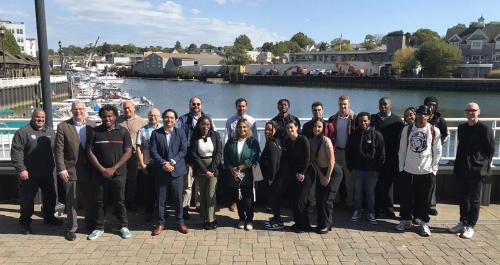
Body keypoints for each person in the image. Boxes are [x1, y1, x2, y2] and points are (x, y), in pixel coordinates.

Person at [11, 109, 63, 235]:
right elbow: (16, 152)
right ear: (33, 117)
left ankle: (49, 218)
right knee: (27, 200)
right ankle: (25, 223)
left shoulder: (50, 131)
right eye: (38, 117)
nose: (40, 120)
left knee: (51, 197)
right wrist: (21, 169)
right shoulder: (23, 132)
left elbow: (57, 149)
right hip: (29, 174)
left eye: (43, 118)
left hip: (47, 173)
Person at [86, 104, 133, 240]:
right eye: (104, 116)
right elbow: (89, 152)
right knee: (100, 201)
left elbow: (128, 152)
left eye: (110, 116)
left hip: (119, 174)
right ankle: (99, 227)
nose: (107, 119)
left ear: (115, 117)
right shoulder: (94, 132)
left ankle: (123, 226)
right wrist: (102, 169)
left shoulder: (123, 132)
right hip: (99, 174)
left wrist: (113, 168)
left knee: (120, 201)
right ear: (100, 117)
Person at [449, 102, 494, 239]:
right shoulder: (462, 128)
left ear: (478, 112)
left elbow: (490, 150)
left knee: (474, 200)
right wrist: (457, 166)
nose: (470, 113)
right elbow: (460, 148)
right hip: (462, 167)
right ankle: (463, 222)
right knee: (462, 197)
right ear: (464, 112)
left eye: (473, 110)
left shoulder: (485, 129)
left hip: (477, 169)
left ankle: (470, 226)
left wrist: (482, 165)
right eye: (468, 110)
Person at [396, 105, 442, 237]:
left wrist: (434, 169)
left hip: (427, 172)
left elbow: (437, 151)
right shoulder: (407, 129)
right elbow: (402, 150)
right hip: (408, 170)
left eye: (425, 114)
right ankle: (405, 220)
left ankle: (423, 223)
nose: (422, 116)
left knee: (425, 200)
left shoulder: (434, 131)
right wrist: (401, 168)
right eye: (420, 113)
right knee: (406, 198)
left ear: (429, 116)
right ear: (416, 114)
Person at [54, 101, 96, 241]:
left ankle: (90, 223)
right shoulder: (63, 126)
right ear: (71, 110)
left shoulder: (92, 125)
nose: (78, 111)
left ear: (85, 110)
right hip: (70, 169)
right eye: (75, 109)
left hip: (90, 169)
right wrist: (61, 169)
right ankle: (71, 228)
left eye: (80, 109)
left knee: (90, 198)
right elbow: (58, 150)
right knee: (71, 200)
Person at [150, 109, 189, 235]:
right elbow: (153, 151)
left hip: (177, 171)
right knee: (160, 199)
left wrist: (172, 162)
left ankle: (180, 222)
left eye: (172, 118)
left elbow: (183, 150)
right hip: (161, 171)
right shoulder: (156, 133)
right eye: (166, 117)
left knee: (178, 198)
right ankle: (160, 223)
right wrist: (163, 163)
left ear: (176, 120)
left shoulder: (181, 133)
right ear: (163, 118)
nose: (169, 120)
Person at [176, 96, 214, 219]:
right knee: (187, 185)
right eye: (193, 104)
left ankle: (199, 205)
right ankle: (185, 207)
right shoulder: (182, 119)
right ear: (189, 105)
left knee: (200, 184)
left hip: (203, 158)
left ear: (201, 105)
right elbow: (179, 137)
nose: (196, 106)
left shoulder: (207, 118)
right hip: (188, 157)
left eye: (198, 104)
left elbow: (213, 135)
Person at [347, 112, 385, 225]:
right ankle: (357, 211)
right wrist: (351, 167)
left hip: (372, 171)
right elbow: (348, 153)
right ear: (358, 122)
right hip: (357, 170)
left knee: (370, 193)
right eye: (361, 121)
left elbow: (381, 154)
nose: (363, 123)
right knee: (357, 193)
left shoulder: (377, 135)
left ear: (369, 121)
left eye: (365, 121)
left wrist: (377, 169)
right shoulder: (353, 135)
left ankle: (371, 213)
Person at [223, 118, 260, 231]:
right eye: (240, 127)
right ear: (236, 128)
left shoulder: (252, 141)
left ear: (248, 128)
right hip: (234, 175)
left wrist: (241, 167)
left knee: (248, 199)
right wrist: (231, 169)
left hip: (247, 174)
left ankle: (249, 220)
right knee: (238, 198)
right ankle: (241, 219)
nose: (242, 129)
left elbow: (254, 156)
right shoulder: (231, 140)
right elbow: (226, 156)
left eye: (244, 127)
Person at [309, 118, 343, 234]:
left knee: (327, 199)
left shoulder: (326, 140)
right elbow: (314, 161)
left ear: (323, 128)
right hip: (321, 172)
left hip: (333, 172)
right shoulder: (311, 141)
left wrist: (327, 177)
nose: (317, 129)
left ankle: (327, 225)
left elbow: (331, 160)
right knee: (319, 198)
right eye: (315, 126)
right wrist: (321, 175)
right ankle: (321, 222)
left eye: (319, 127)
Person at [370, 97, 403, 218]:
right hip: (376, 158)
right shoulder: (373, 119)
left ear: (390, 105)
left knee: (389, 184)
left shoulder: (397, 121)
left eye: (385, 104)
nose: (383, 106)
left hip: (391, 157)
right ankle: (377, 209)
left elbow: (400, 141)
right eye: (381, 104)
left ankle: (389, 209)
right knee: (376, 184)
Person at [224, 98, 258, 212]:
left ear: (246, 107)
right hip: (234, 157)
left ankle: (249, 211)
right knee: (234, 185)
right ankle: (235, 202)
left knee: (248, 189)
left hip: (246, 160)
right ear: (236, 106)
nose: (241, 108)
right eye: (239, 106)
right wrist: (228, 163)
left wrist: (246, 164)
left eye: (243, 106)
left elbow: (255, 140)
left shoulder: (252, 120)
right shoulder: (230, 121)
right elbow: (226, 139)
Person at [190, 116, 223, 230]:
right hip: (201, 168)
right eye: (203, 124)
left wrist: (212, 169)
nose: (205, 127)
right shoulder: (194, 137)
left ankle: (211, 219)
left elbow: (219, 152)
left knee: (211, 194)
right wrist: (204, 170)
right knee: (202, 195)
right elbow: (194, 155)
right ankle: (205, 217)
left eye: (208, 124)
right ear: (199, 125)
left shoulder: (216, 135)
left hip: (213, 168)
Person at [283, 120, 312, 233]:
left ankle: (306, 225)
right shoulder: (288, 142)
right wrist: (296, 173)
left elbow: (307, 158)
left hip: (307, 173)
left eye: (291, 127)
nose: (290, 130)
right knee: (294, 200)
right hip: (295, 173)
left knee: (301, 200)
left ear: (297, 128)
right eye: (288, 128)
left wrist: (302, 172)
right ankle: (298, 223)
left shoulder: (303, 139)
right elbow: (290, 160)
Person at [117, 100, 146, 211]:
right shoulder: (118, 120)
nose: (127, 110)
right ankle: (120, 202)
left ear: (134, 108)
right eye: (125, 108)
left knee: (132, 179)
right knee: (120, 179)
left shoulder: (141, 122)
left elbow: (144, 139)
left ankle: (131, 201)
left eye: (129, 108)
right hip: (121, 155)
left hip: (134, 155)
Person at [328, 95, 356, 207]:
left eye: (345, 104)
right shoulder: (332, 118)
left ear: (349, 105)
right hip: (336, 152)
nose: (342, 106)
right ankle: (335, 201)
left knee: (349, 180)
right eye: (340, 104)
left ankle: (350, 202)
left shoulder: (355, 118)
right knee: (335, 177)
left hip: (348, 153)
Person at [136, 108, 162, 221]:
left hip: (161, 164)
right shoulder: (142, 130)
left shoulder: (163, 129)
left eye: (155, 115)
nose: (153, 117)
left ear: (159, 117)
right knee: (149, 190)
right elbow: (138, 148)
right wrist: (142, 164)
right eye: (151, 115)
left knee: (161, 190)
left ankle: (161, 212)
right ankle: (149, 212)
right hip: (148, 164)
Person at [424, 96, 448, 216]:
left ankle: (432, 205)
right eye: (429, 104)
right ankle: (419, 203)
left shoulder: (440, 120)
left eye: (433, 104)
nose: (431, 107)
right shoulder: (421, 116)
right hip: (421, 154)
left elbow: (445, 135)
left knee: (432, 179)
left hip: (433, 154)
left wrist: (436, 144)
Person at [261, 121, 285, 230]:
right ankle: (276, 218)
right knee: (275, 199)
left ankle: (278, 221)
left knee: (274, 199)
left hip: (273, 177)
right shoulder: (276, 141)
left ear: (275, 130)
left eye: (270, 129)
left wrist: (271, 178)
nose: (267, 131)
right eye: (266, 129)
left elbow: (273, 162)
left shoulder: (271, 144)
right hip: (277, 176)